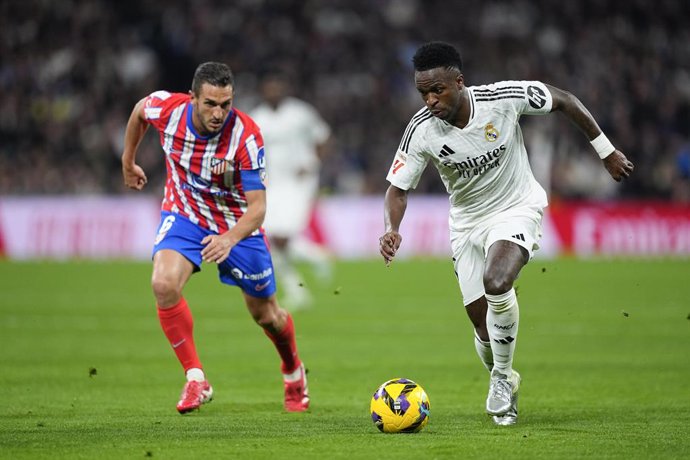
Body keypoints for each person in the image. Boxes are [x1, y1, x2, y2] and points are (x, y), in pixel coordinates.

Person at [379, 42, 634, 426]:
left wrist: (606, 151)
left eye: (437, 90)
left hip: (516, 206)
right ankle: (505, 374)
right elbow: (398, 189)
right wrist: (392, 229)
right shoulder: (421, 131)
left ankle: (500, 380)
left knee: (497, 281)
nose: (430, 100)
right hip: (466, 223)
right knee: (481, 327)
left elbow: (564, 100)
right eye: (423, 93)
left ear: (459, 82)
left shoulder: (504, 98)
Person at [121, 62, 309, 414]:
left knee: (266, 314)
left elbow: (258, 209)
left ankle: (293, 371)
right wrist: (128, 160)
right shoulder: (169, 110)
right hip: (185, 215)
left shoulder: (246, 135)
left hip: (237, 225)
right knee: (163, 285)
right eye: (210, 103)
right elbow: (138, 112)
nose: (219, 113)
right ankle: (196, 378)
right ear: (192, 97)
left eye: (226, 104)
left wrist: (229, 238)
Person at [250, 72, 333, 310]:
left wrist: (312, 164)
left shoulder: (300, 113)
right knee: (273, 240)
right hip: (272, 184)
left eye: (277, 87)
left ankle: (305, 277)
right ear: (263, 90)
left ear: (284, 88)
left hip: (298, 184)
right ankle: (308, 272)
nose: (274, 91)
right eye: (269, 87)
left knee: (281, 238)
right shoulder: (257, 118)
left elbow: (324, 138)